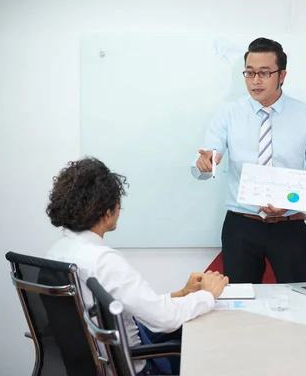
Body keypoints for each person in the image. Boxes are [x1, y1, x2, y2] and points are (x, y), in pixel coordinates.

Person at [46, 157, 228, 375]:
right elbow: (164, 320)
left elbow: (136, 305)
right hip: (134, 368)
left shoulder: (57, 252)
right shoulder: (102, 261)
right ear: (107, 212)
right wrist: (208, 295)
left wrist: (182, 293)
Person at [191, 37, 306, 284]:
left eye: (264, 73)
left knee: (300, 298)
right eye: (250, 72)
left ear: (282, 75)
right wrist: (204, 165)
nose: (255, 81)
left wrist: (289, 202)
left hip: (289, 224)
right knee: (239, 302)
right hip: (241, 225)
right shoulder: (228, 114)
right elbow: (207, 160)